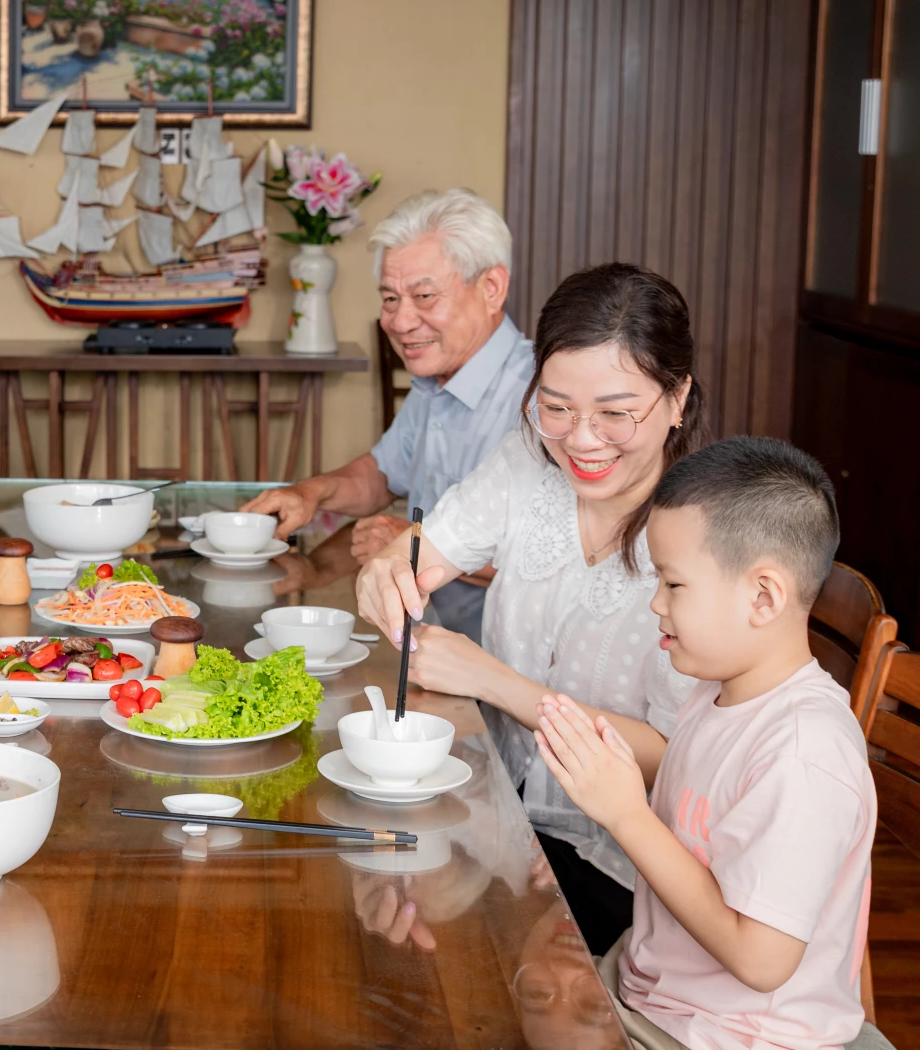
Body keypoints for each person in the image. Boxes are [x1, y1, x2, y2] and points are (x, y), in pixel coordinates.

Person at [356, 262, 704, 954]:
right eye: (555, 407)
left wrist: (496, 683)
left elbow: (672, 759)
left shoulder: (703, 539)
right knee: (369, 887)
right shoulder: (527, 461)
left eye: (615, 413)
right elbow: (431, 546)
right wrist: (388, 569)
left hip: (624, 872)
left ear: (677, 399)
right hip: (505, 827)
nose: (579, 440)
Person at [535, 438, 880, 1050]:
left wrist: (624, 814)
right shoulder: (719, 689)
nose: (656, 604)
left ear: (764, 597)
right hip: (651, 989)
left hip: (729, 1035)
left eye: (674, 584)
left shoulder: (804, 755)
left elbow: (761, 961)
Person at [241, 189, 532, 642]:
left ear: (491, 288)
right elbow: (383, 474)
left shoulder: (541, 398)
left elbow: (557, 558)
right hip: (421, 644)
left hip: (498, 666)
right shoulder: (437, 378)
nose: (399, 321)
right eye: (391, 299)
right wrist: (311, 493)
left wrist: (416, 546)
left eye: (424, 296)